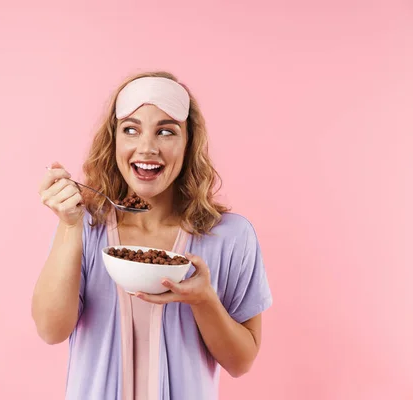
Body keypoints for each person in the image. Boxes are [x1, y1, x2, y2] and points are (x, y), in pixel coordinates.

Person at [32, 71, 273, 400]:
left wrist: (203, 300)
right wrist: (69, 225)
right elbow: (50, 330)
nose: (147, 148)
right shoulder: (85, 226)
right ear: (114, 141)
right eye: (131, 129)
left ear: (188, 144)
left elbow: (241, 362)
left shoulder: (230, 236)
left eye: (166, 132)